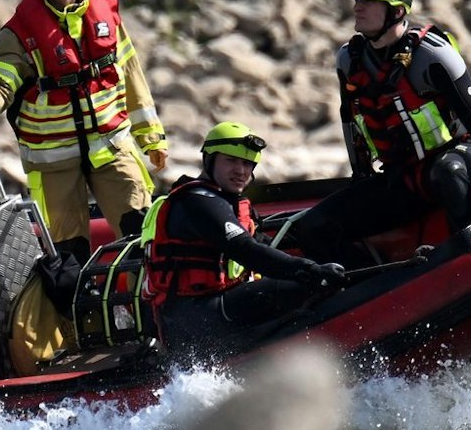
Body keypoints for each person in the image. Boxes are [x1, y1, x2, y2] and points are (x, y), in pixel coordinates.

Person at [285, 0, 471, 267]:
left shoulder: (433, 55)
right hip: (403, 177)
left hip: (460, 159)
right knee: (315, 227)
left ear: (397, 11)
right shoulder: (348, 59)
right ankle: (367, 287)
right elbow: (350, 121)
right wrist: (360, 174)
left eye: (368, 2)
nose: (357, 8)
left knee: (448, 172)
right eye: (356, 1)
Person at [0, 0, 167, 250]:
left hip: (111, 146)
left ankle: (145, 296)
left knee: (143, 234)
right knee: (68, 253)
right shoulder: (22, 28)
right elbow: (0, 82)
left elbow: (131, 74)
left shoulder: (105, 17)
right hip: (54, 159)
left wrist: (151, 137)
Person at [141, 122, 347, 359]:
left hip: (214, 305)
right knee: (310, 284)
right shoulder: (197, 201)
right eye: (231, 160)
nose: (241, 170)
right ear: (209, 159)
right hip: (195, 314)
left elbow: (265, 246)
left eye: (248, 164)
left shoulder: (229, 202)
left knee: (301, 280)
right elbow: (243, 248)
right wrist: (311, 270)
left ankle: (291, 348)